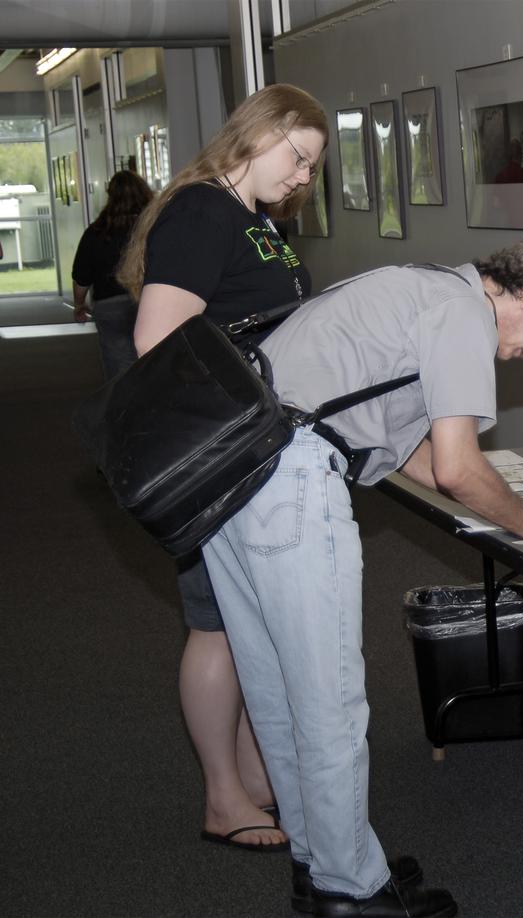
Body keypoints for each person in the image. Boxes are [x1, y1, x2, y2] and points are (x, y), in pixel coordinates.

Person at [198, 240, 523, 917]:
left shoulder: (423, 286)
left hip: (233, 469)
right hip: (289, 477)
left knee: (277, 684)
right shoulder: (463, 312)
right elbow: (456, 468)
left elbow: (412, 450)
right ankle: (348, 889)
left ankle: (320, 858)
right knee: (329, 697)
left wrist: (490, 503)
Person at [117, 83, 329, 859]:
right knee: (216, 623)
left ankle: (248, 769)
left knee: (244, 623)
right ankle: (221, 794)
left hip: (248, 445)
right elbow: (158, 338)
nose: (304, 177)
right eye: (298, 157)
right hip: (216, 452)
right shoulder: (206, 211)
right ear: (256, 135)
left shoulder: (250, 218)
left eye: (312, 167)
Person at [71, 170, 152, 378]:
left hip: (110, 305)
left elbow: (81, 276)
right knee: (154, 360)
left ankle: (124, 406)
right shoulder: (154, 227)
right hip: (149, 300)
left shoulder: (96, 232)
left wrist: (79, 304)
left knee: (118, 368)